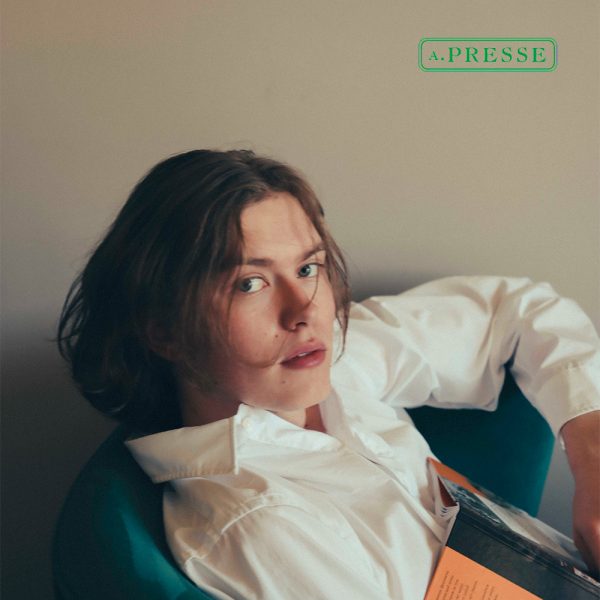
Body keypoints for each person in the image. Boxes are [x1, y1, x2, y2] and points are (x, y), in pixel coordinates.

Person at [58, 149, 600, 599]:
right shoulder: (260, 526)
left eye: (307, 267)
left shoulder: (331, 361)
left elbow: (519, 312)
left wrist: (592, 456)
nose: (305, 311)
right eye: (250, 283)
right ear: (164, 332)